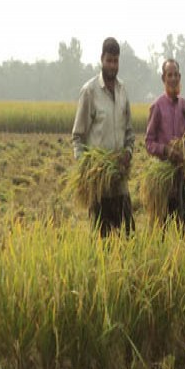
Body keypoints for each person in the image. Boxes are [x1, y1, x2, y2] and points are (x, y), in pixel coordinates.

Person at [72, 37, 135, 237]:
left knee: (128, 235)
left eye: (116, 61)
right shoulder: (89, 92)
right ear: (102, 59)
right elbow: (77, 138)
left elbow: (130, 133)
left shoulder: (123, 90)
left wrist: (128, 153)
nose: (112, 65)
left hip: (120, 181)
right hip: (99, 185)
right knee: (102, 240)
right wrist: (88, 168)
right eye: (109, 60)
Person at [145, 59, 185, 231]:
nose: (173, 78)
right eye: (169, 75)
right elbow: (149, 143)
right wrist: (166, 150)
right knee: (162, 229)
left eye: (175, 75)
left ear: (180, 77)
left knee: (184, 227)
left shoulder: (184, 106)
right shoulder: (157, 107)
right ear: (163, 78)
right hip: (163, 180)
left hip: (179, 177)